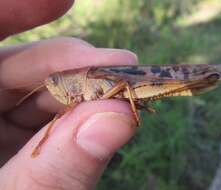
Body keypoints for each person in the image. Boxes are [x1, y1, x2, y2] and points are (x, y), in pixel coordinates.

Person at [0, 1, 137, 189]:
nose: (54, 88)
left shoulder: (87, 80)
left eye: (55, 82)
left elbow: (122, 85)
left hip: (134, 83)